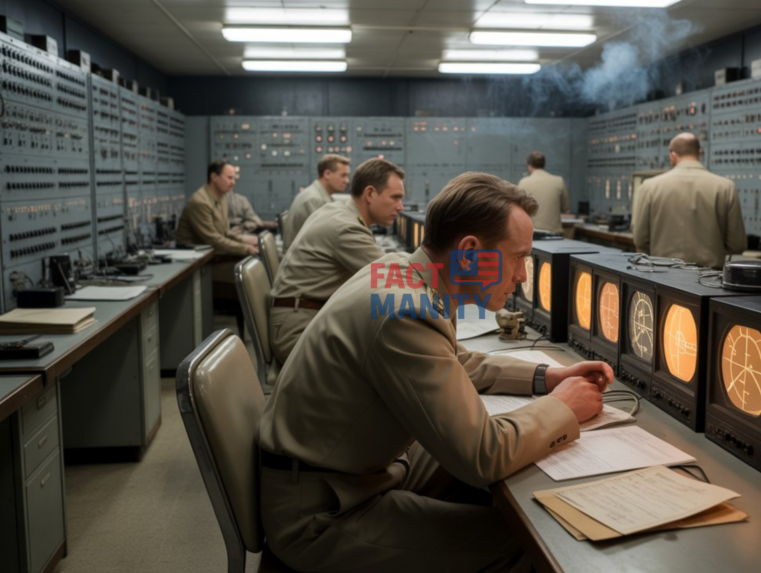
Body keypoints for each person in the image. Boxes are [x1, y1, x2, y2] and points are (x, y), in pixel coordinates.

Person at [259, 172, 612, 572]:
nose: (521, 276)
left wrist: (545, 378)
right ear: (470, 251)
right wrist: (563, 408)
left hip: (352, 472)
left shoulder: (397, 270)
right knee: (525, 544)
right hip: (324, 512)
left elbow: (455, 361)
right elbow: (484, 454)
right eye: (518, 257)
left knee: (489, 483)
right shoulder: (406, 311)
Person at [269, 158, 405, 364]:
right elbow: (394, 278)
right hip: (298, 332)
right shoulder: (346, 227)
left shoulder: (337, 211)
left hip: (305, 318)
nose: (400, 206)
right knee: (388, 361)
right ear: (369, 194)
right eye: (395, 197)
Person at [632, 133, 747, 268]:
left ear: (672, 155)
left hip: (662, 275)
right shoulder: (726, 187)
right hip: (707, 279)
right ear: (699, 153)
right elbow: (737, 244)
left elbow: (640, 240)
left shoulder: (649, 187)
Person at [175, 161, 258, 283]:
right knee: (252, 272)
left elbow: (224, 233)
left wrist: (245, 241)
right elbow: (212, 240)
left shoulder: (222, 198)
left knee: (256, 262)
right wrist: (246, 248)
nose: (233, 183)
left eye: (234, 178)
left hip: (216, 256)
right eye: (230, 178)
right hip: (200, 265)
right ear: (214, 177)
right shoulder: (200, 202)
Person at [283, 154, 350, 248]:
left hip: (312, 256)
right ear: (327, 174)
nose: (347, 180)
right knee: (369, 262)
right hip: (306, 261)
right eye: (343, 175)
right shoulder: (313, 199)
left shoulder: (321, 195)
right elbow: (327, 240)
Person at [517, 151, 569, 234]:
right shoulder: (559, 181)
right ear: (544, 164)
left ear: (529, 165)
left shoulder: (524, 182)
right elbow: (565, 208)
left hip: (533, 234)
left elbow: (518, 210)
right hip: (555, 233)